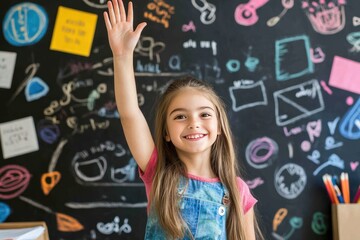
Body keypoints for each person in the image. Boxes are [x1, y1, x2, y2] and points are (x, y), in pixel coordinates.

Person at [104, 0, 263, 239]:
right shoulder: (158, 172)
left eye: (204, 114)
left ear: (219, 126)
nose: (193, 123)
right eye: (180, 116)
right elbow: (129, 113)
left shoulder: (237, 190)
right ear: (166, 131)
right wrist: (122, 56)